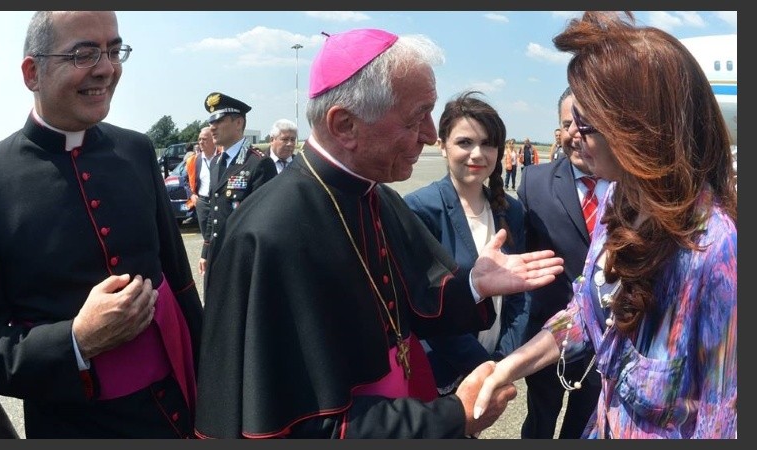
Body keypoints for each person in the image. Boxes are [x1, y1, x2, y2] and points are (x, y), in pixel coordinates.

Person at [193, 28, 564, 439]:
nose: (428, 133)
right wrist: (455, 415)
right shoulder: (268, 235)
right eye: (415, 117)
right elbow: (303, 424)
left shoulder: (378, 196)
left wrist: (474, 282)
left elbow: (413, 298)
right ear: (346, 125)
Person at [475, 11, 737, 439]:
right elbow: (590, 312)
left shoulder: (715, 252)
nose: (572, 135)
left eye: (587, 122)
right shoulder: (619, 200)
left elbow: (721, 419)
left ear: (641, 130)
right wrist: (509, 366)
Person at [0, 11, 203, 438]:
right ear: (32, 72)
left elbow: (182, 281)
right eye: (84, 53)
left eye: (114, 50)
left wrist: (216, 388)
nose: (106, 68)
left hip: (178, 408)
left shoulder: (136, 149)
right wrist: (76, 341)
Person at [403, 91, 528, 396]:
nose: (477, 154)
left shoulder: (510, 211)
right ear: (442, 145)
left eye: (488, 143)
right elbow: (424, 307)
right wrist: (483, 367)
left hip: (496, 364)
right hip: (441, 373)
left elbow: (522, 296)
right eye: (464, 142)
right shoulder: (420, 209)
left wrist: (503, 362)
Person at [516, 86, 609, 439]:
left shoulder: (626, 185)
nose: (574, 133)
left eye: (584, 123)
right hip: (548, 332)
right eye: (567, 123)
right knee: (539, 420)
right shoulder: (534, 182)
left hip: (603, 340)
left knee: (583, 423)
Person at [198, 92, 277, 281]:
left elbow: (264, 221)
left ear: (239, 123)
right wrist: (206, 250)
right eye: (211, 122)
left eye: (218, 121)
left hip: (243, 258)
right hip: (218, 253)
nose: (212, 128)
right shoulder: (217, 161)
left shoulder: (257, 163)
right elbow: (213, 211)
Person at [185, 126, 219, 237]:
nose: (200, 142)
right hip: (202, 203)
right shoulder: (193, 160)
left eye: (204, 139)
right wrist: (192, 196)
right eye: (199, 139)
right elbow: (185, 181)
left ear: (213, 139)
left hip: (219, 201)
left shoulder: (222, 157)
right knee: (206, 236)